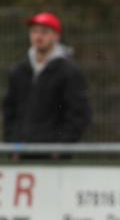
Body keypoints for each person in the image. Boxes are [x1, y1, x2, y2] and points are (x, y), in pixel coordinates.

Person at [3, 12, 91, 150]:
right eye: (34, 31)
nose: (38, 36)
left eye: (44, 32)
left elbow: (78, 115)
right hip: (21, 154)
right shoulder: (18, 71)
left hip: (53, 158)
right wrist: (13, 144)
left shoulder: (69, 72)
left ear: (56, 36)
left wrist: (61, 148)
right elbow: (10, 112)